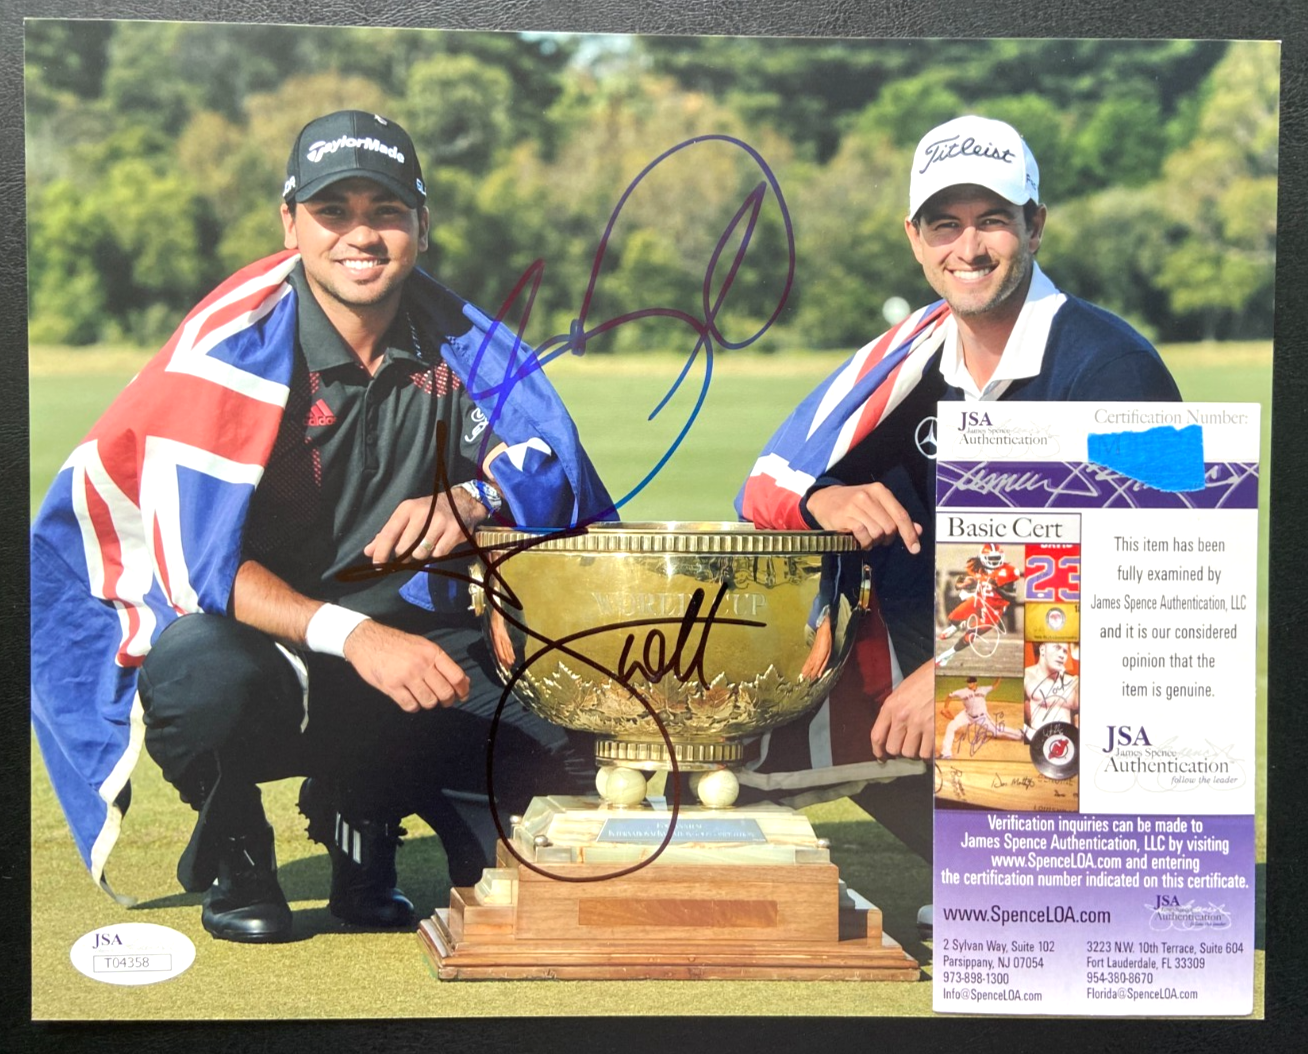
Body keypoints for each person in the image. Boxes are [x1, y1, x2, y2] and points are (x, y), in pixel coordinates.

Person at [30, 111, 612, 943]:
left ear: (421, 224)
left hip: (414, 647)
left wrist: (475, 499)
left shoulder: (460, 344)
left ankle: (361, 802)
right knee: (198, 673)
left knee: (571, 757)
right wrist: (359, 637)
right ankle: (237, 841)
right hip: (263, 646)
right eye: (333, 211)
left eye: (386, 210)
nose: (361, 235)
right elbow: (201, 569)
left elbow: (552, 466)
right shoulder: (229, 348)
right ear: (290, 223)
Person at [736, 114, 1181, 929]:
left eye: (992, 221)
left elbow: (1158, 579)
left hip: (1091, 677)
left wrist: (960, 672)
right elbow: (767, 486)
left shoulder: (1114, 366)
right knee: (774, 662)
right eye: (945, 224)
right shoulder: (907, 363)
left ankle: (1057, 872)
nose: (967, 248)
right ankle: (980, 858)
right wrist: (821, 500)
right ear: (915, 239)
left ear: (1035, 226)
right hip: (969, 660)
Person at [935, 543, 1024, 668]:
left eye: (996, 558)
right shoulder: (977, 568)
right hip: (979, 600)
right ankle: (956, 627)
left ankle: (948, 654)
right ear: (983, 558)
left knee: (970, 635)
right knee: (954, 617)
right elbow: (972, 583)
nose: (994, 561)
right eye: (991, 558)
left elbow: (1012, 596)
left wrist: (997, 588)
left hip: (994, 609)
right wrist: (965, 588)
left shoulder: (1007, 571)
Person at [938, 677, 1020, 759]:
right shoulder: (963, 692)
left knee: (997, 732)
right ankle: (946, 753)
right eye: (968, 683)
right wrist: (945, 707)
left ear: (975, 683)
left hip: (982, 718)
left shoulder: (983, 689)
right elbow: (950, 695)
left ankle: (1019, 734)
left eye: (970, 683)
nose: (968, 684)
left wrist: (998, 678)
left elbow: (994, 686)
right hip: (967, 716)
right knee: (951, 726)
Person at [1023, 641, 1080, 739]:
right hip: (1038, 741)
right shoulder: (1027, 676)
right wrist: (1031, 734)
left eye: (1065, 651)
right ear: (1042, 649)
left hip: (1067, 741)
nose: (1062, 655)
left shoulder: (1073, 681)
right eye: (1057, 648)